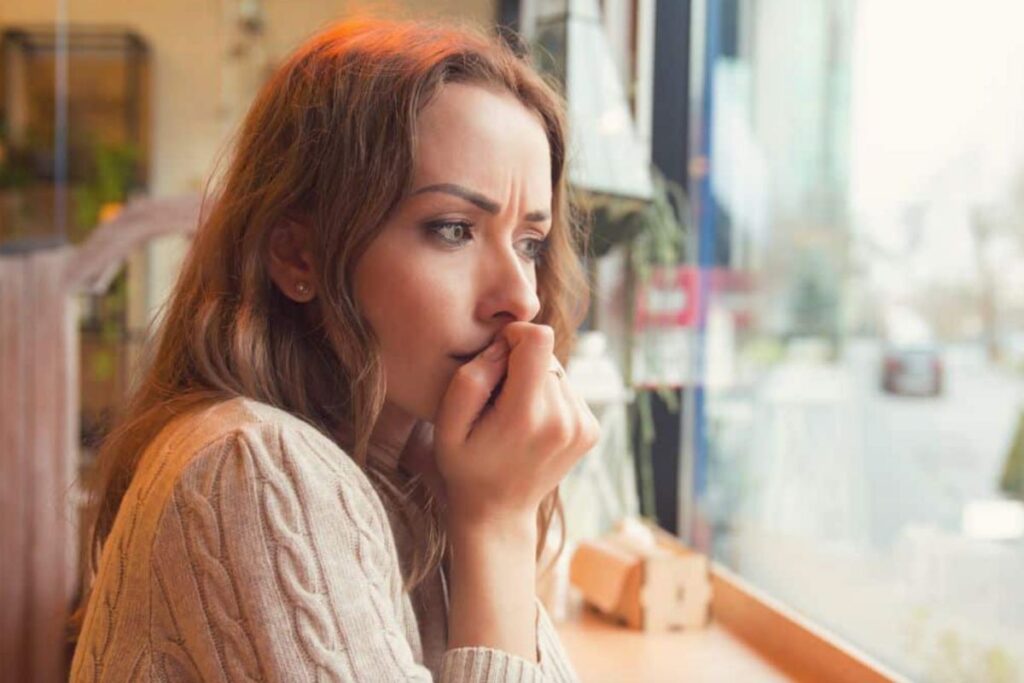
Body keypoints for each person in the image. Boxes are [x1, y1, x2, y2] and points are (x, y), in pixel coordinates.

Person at [68, 14, 600, 683]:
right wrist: (498, 525)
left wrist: (481, 519)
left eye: (529, 242)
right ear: (300, 254)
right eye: (453, 229)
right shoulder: (256, 464)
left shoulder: (422, 477)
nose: (519, 298)